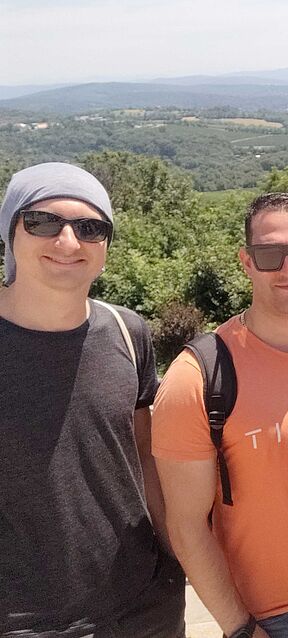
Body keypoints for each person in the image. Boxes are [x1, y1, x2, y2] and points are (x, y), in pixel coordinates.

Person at [151, 193, 288, 638]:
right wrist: (239, 627)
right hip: (272, 618)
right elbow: (186, 525)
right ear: (247, 262)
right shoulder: (198, 377)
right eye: (271, 255)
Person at [0, 162, 185, 636]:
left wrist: (179, 562)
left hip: (145, 609)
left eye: (89, 227)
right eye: (42, 221)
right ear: (10, 233)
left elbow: (145, 460)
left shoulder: (128, 332)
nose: (67, 242)